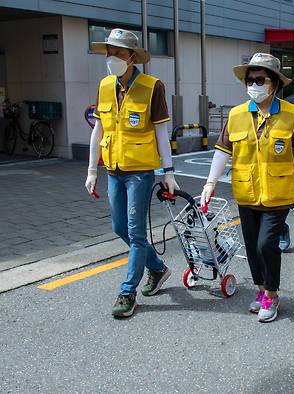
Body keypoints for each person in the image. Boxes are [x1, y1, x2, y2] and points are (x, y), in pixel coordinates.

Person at [200, 53, 294, 323]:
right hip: (246, 193)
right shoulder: (236, 115)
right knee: (251, 247)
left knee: (265, 245)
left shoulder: (291, 114)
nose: (254, 85)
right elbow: (223, 152)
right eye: (250, 80)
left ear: (274, 83)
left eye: (260, 80)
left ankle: (272, 294)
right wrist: (210, 184)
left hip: (279, 194)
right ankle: (261, 291)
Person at [84, 29, 177, 318]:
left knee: (135, 233)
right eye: (109, 53)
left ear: (132, 56)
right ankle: (158, 269)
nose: (112, 58)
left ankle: (127, 293)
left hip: (140, 171)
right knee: (119, 228)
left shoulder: (153, 87)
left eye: (118, 53)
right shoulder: (104, 86)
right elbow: (98, 129)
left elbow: (162, 133)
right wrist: (91, 170)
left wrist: (168, 172)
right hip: (113, 169)